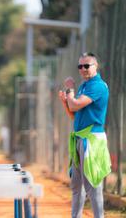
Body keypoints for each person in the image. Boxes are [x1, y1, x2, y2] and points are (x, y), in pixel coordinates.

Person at [58, 52, 111, 218]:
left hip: (92, 139)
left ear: (96, 67)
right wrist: (64, 102)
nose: (83, 69)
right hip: (80, 137)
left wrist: (70, 88)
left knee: (93, 186)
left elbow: (75, 105)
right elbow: (73, 114)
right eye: (80, 66)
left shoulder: (98, 86)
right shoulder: (84, 86)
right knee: (76, 186)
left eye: (87, 65)